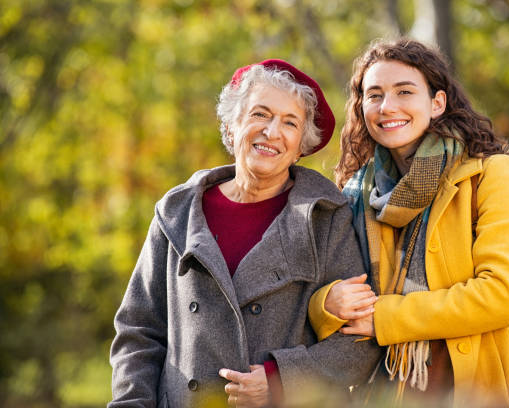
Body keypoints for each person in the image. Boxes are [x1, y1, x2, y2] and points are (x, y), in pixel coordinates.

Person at [108, 59, 381, 408]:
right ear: (232, 125)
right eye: (260, 115)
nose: (272, 132)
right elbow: (138, 332)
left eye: (289, 123)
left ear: (301, 146)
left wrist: (280, 380)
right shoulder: (177, 212)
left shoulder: (326, 216)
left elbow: (359, 343)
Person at [308, 38, 509, 407]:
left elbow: (503, 295)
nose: (388, 107)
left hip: (474, 385)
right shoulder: (353, 194)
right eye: (374, 95)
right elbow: (322, 291)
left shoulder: (492, 174)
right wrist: (326, 303)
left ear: (437, 103)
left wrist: (386, 316)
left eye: (404, 91)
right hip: (382, 388)